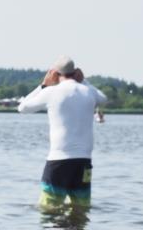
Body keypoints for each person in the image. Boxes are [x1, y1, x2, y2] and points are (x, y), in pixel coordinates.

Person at [17, 56, 108, 211]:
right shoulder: (88, 91)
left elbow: (22, 108)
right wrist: (84, 81)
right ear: (76, 73)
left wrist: (43, 85)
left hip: (59, 161)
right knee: (81, 209)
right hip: (83, 162)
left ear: (55, 74)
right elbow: (104, 99)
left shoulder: (51, 92)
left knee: (48, 209)